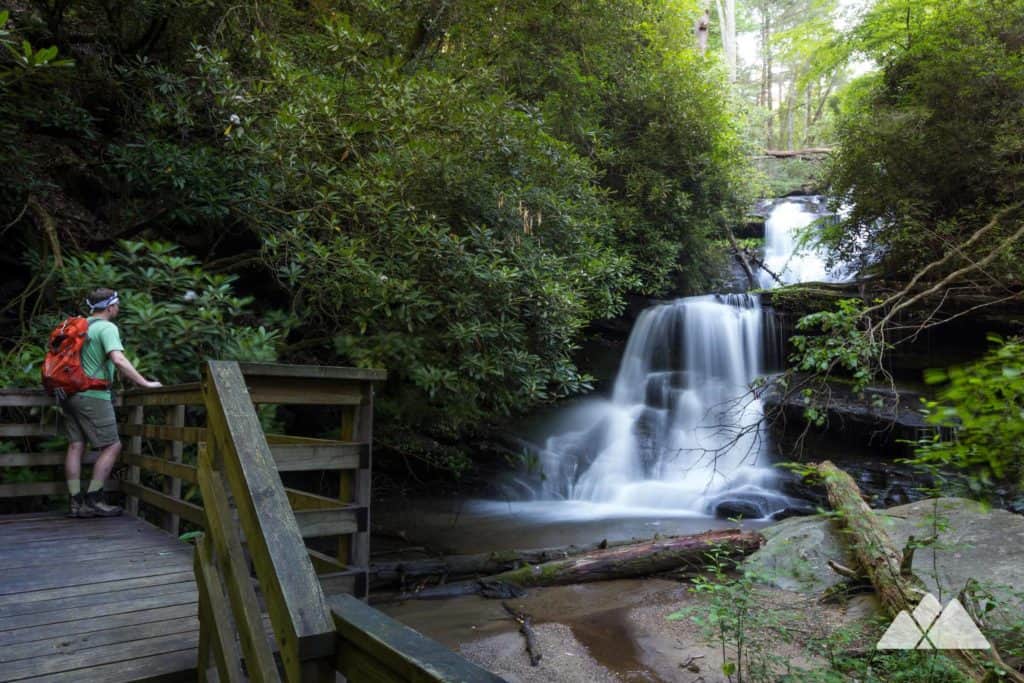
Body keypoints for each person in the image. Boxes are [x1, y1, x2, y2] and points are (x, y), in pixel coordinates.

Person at [62, 288, 162, 518]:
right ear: (109, 307)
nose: (118, 308)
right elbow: (118, 359)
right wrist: (145, 383)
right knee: (112, 446)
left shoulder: (79, 327)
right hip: (93, 394)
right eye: (117, 304)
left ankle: (75, 502)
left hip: (69, 393)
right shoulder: (107, 328)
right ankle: (94, 500)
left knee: (76, 445)